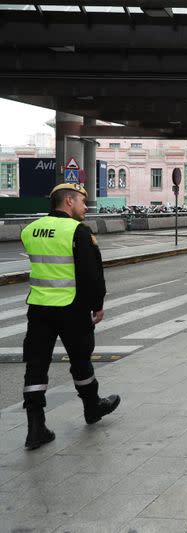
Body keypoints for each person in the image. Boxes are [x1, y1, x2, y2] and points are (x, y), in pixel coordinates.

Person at [20, 182, 120, 450]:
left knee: (36, 365)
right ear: (68, 202)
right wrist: (97, 304)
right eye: (81, 201)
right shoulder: (78, 231)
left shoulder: (30, 230)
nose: (85, 207)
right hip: (71, 307)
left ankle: (35, 426)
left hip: (39, 307)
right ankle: (92, 408)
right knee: (80, 360)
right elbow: (91, 274)